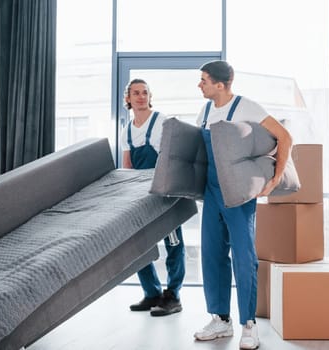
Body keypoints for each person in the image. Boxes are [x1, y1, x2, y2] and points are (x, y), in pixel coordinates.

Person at [192, 61, 292, 349]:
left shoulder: (247, 107)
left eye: (204, 80)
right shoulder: (205, 111)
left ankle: (249, 325)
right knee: (211, 254)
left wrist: (274, 180)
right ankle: (220, 320)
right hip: (212, 192)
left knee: (244, 257)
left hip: (238, 193)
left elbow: (285, 137)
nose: (200, 85)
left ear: (220, 84)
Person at [120, 78, 186, 317]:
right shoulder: (126, 129)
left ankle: (173, 295)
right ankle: (152, 293)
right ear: (128, 98)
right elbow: (127, 166)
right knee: (140, 245)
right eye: (136, 93)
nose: (141, 97)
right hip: (140, 194)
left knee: (173, 244)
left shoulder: (162, 122)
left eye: (145, 92)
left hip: (164, 192)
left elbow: (173, 156)